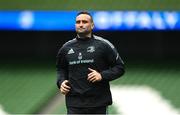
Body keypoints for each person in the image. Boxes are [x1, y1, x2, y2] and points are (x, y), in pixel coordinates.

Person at [56, 11, 125, 114]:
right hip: (74, 105)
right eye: (78, 22)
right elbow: (61, 69)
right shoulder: (66, 48)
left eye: (85, 22)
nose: (81, 24)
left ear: (92, 25)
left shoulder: (103, 45)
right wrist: (61, 82)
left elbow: (120, 67)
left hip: (98, 104)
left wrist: (102, 75)